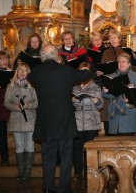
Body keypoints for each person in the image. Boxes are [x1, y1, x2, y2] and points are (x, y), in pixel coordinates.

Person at [27, 44, 92, 193]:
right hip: (64, 122)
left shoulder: (36, 72)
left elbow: (30, 76)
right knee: (66, 157)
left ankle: (48, 187)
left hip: (46, 122)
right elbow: (85, 76)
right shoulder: (65, 71)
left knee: (48, 156)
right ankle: (64, 188)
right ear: (57, 54)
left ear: (42, 56)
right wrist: (87, 69)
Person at [4, 63, 38, 181]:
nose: (22, 73)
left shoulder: (32, 86)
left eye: (25, 71)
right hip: (16, 120)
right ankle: (21, 174)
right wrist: (16, 107)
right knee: (19, 147)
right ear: (16, 72)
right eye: (20, 70)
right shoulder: (10, 86)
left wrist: (28, 105)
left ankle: (27, 174)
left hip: (29, 120)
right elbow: (6, 103)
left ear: (28, 73)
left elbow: (37, 103)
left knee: (29, 146)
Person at [72, 62, 103, 179]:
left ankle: (90, 173)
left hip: (91, 121)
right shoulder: (74, 87)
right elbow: (70, 103)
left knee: (90, 150)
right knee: (77, 149)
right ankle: (79, 172)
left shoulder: (95, 87)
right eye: (82, 71)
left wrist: (92, 99)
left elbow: (100, 105)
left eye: (86, 71)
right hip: (77, 122)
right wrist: (74, 99)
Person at [102, 53, 136, 135]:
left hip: (128, 111)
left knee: (128, 140)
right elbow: (107, 95)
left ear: (129, 64)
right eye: (119, 62)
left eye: (123, 61)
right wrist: (105, 91)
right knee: (114, 141)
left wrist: (133, 89)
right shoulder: (112, 76)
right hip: (114, 110)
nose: (121, 63)